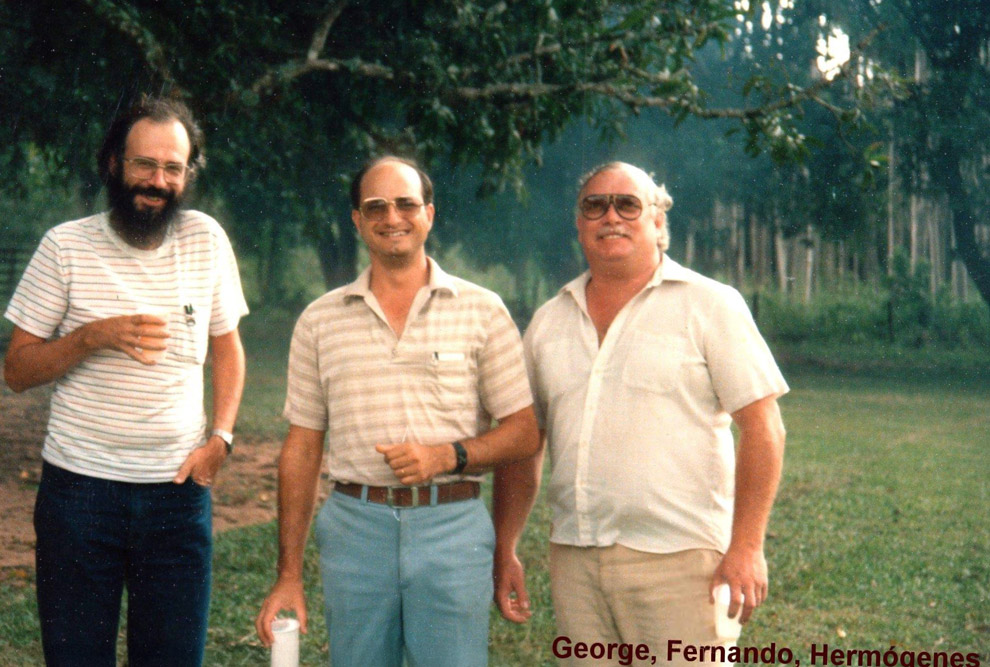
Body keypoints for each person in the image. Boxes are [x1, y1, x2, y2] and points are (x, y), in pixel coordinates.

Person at [496, 162, 788, 665]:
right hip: (575, 564)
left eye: (627, 204)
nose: (611, 216)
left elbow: (764, 429)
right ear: (579, 223)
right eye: (595, 205)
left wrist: (746, 547)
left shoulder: (711, 305)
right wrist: (506, 546)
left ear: (658, 222)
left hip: (682, 564)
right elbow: (526, 443)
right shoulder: (548, 321)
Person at [254, 156, 539, 666]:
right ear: (357, 221)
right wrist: (288, 575)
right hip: (354, 528)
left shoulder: (482, 310)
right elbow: (300, 449)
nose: (393, 217)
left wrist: (447, 455)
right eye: (375, 206)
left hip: (452, 526)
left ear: (429, 214)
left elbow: (523, 434)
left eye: (407, 204)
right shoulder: (320, 321)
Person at [3, 95, 248, 666]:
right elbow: (16, 371)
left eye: (172, 168)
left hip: (178, 495)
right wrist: (91, 336)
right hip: (79, 494)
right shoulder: (65, 246)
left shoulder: (205, 239)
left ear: (189, 173)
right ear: (112, 161)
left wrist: (224, 438)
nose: (157, 181)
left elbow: (228, 348)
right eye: (144, 164)